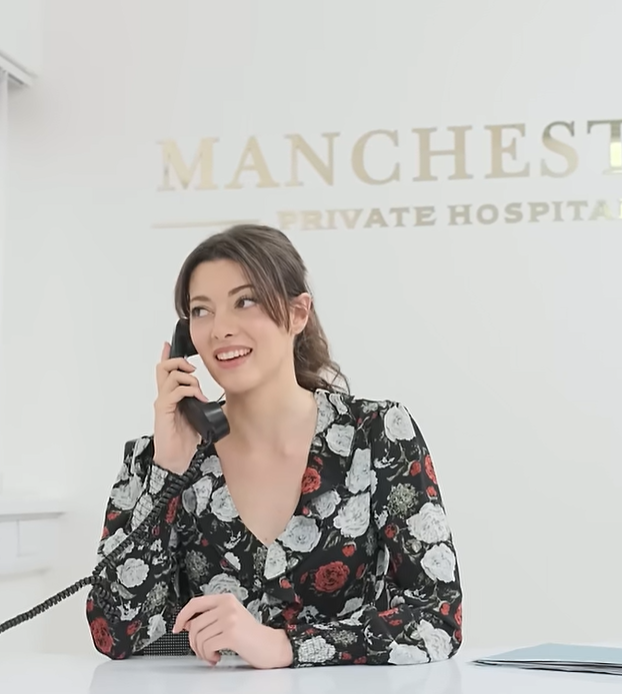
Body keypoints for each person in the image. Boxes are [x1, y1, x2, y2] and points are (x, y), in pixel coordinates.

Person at [85, 224, 462, 669]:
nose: (220, 329)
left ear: (298, 313)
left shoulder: (377, 433)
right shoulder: (159, 460)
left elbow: (438, 618)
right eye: (201, 311)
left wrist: (285, 646)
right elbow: (114, 635)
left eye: (245, 301)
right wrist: (166, 471)